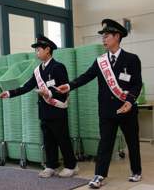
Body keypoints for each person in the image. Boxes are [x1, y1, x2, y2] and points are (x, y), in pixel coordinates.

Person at [58, 19, 143, 188]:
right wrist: (68, 86)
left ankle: (136, 171)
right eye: (102, 36)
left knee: (132, 142)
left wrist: (129, 101)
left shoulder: (131, 59)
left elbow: (137, 84)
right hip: (107, 110)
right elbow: (85, 77)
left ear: (117, 36)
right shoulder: (100, 61)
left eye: (106, 36)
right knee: (105, 143)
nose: (103, 39)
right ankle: (99, 175)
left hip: (127, 109)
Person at [0, 34, 79, 178]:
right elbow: (26, 87)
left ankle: (71, 166)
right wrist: (9, 93)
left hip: (57, 110)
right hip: (44, 111)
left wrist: (48, 93)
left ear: (47, 49)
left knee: (63, 139)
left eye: (38, 50)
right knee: (48, 140)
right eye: (36, 51)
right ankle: (52, 166)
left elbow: (64, 90)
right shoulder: (38, 70)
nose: (36, 53)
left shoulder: (58, 67)